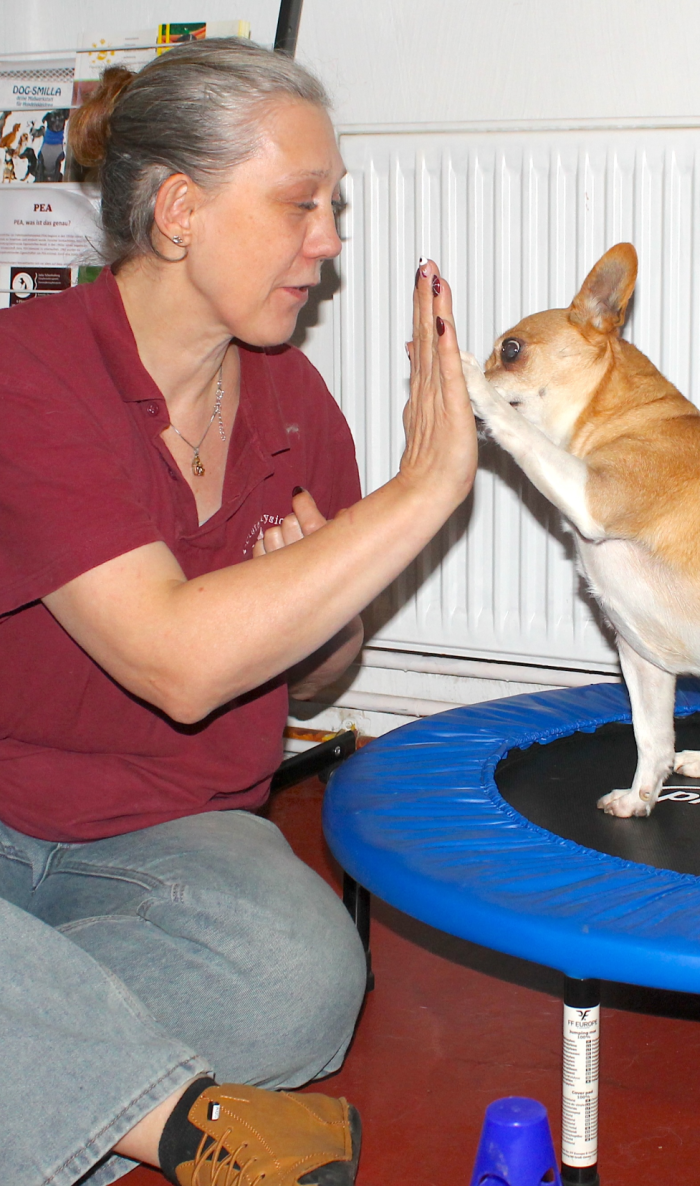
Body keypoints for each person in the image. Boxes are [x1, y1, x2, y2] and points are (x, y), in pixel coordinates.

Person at [0, 38, 477, 1186]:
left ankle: (44, 1039)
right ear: (179, 210)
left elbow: (317, 676)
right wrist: (425, 490)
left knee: (306, 978)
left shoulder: (295, 402)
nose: (331, 242)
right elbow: (176, 662)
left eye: (336, 209)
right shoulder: (27, 373)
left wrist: (320, 622)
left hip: (167, 836)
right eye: (302, 204)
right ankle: (184, 1124)